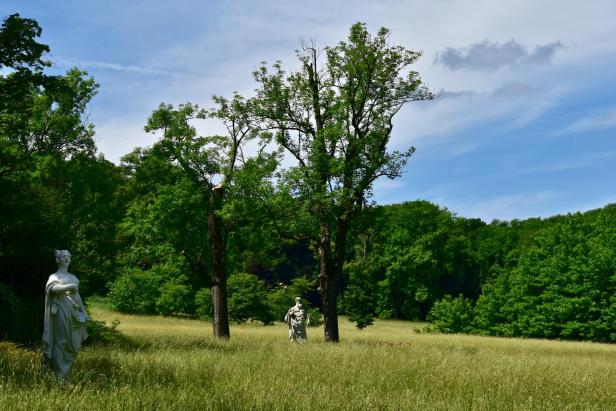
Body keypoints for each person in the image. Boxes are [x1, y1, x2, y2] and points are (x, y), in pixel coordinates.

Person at [42, 250, 88, 379]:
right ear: (58, 260)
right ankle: (58, 375)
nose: (67, 258)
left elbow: (78, 297)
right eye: (63, 256)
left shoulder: (73, 277)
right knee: (60, 341)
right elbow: (52, 289)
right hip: (61, 310)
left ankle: (65, 375)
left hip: (74, 312)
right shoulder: (54, 276)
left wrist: (83, 312)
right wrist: (70, 286)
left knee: (72, 344)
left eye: (69, 256)